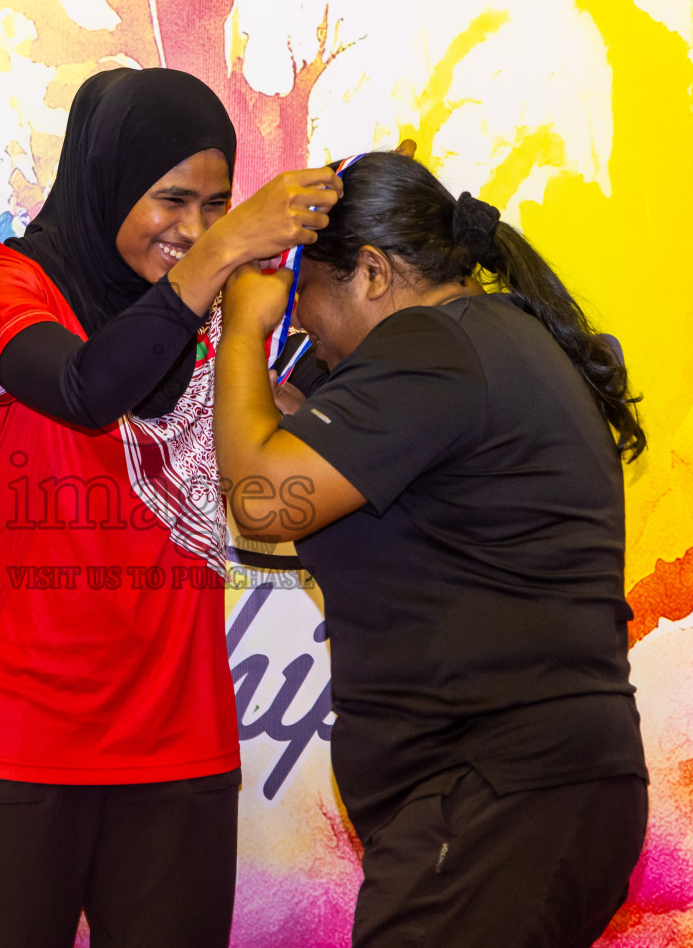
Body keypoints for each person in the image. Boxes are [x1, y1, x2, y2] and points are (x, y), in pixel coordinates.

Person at [0, 67, 340, 947]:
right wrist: (218, 264)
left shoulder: (211, 311)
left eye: (218, 205)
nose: (194, 229)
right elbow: (85, 387)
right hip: (13, 742)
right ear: (107, 180)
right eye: (172, 201)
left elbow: (302, 451)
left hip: (177, 742)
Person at [213, 151, 649, 947]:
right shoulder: (486, 339)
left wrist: (242, 325)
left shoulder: (433, 348)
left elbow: (266, 499)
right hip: (531, 791)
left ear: (372, 273)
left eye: (303, 298)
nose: (299, 324)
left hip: (491, 794)